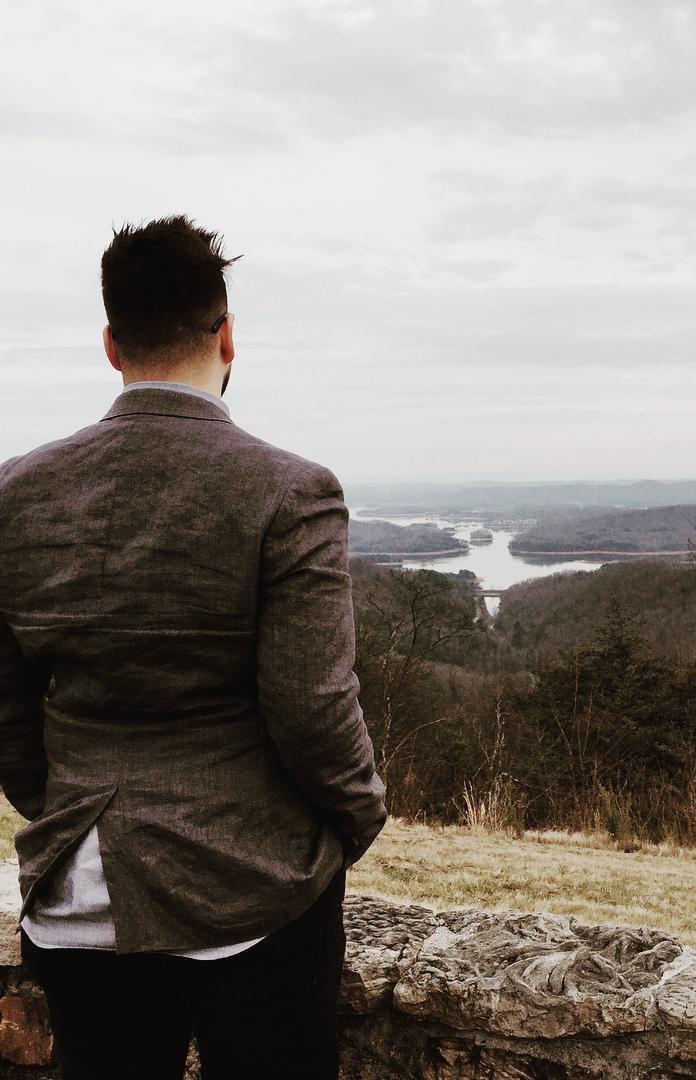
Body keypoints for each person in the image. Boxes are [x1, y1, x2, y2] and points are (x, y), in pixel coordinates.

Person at [0, 214, 387, 1078]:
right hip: (253, 893)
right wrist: (356, 815)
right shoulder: (290, 492)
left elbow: (9, 712)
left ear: (110, 344)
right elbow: (313, 708)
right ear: (227, 336)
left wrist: (65, 806)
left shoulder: (14, 494)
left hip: (78, 896)